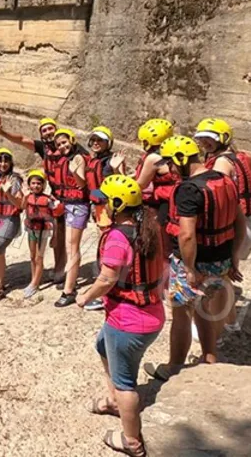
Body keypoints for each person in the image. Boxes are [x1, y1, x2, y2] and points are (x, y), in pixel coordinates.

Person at [76, 175, 166, 457]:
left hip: (129, 322)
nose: (98, 206)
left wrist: (84, 297)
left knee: (126, 383)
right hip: (149, 314)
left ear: (117, 205)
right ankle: (113, 400)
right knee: (102, 345)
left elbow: (107, 278)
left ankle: (131, 441)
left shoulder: (117, 237)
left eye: (102, 202)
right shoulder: (147, 227)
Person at [146, 136, 245, 381]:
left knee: (181, 314)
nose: (167, 169)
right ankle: (209, 358)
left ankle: (174, 368)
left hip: (194, 263)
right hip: (220, 260)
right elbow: (240, 222)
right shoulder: (224, 180)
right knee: (204, 310)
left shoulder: (188, 190)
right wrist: (234, 258)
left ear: (180, 160)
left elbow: (187, 235)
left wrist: (189, 268)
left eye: (169, 163)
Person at [193, 118, 251, 334]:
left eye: (209, 139)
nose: (204, 143)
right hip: (248, 226)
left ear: (222, 139)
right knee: (225, 277)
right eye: (202, 138)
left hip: (233, 228)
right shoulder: (241, 157)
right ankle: (231, 321)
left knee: (213, 281)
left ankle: (211, 328)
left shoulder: (222, 163)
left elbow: (215, 194)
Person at [0, 114, 68, 290]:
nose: (48, 132)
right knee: (56, 238)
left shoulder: (68, 145)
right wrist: (2, 132)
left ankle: (61, 270)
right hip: (57, 194)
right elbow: (21, 139)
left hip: (71, 197)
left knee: (61, 237)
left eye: (50, 128)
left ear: (56, 129)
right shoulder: (43, 147)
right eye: (44, 130)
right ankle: (56, 271)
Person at [47, 128, 91, 308]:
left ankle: (69, 290)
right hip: (67, 204)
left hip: (78, 206)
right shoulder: (66, 159)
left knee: (72, 247)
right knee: (68, 245)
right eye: (59, 144)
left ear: (72, 141)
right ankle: (69, 283)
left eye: (64, 142)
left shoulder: (78, 158)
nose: (62, 146)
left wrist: (74, 172)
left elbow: (82, 184)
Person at [0, 149, 25, 302]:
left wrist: (8, 192)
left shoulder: (14, 180)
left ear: (10, 163)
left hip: (10, 219)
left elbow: (20, 205)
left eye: (6, 161)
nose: (3, 164)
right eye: (0, 161)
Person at [22, 170, 61, 299]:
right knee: (32, 256)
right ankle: (35, 281)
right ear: (29, 185)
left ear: (43, 185)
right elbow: (22, 207)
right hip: (31, 230)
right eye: (33, 183)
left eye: (39, 183)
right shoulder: (28, 196)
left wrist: (55, 236)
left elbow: (54, 218)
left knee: (39, 257)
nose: (36, 186)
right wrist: (25, 196)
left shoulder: (48, 200)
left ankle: (34, 284)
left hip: (43, 230)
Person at [85, 126, 127, 229]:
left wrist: (115, 169)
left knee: (106, 236)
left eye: (100, 140)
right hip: (98, 204)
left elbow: (123, 185)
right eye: (93, 140)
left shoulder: (114, 159)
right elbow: (92, 187)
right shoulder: (93, 160)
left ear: (108, 143)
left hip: (110, 205)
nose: (96, 143)